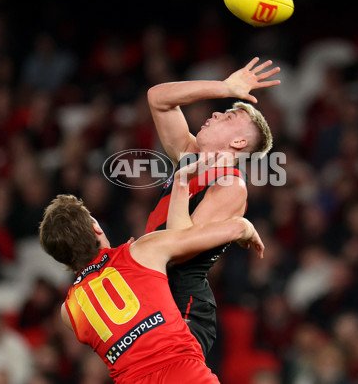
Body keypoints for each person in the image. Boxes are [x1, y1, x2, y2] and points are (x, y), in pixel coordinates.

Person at [39, 160, 264, 383]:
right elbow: (196, 238)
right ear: (96, 227)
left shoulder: (68, 312)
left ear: (62, 258)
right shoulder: (142, 250)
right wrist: (243, 227)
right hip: (184, 373)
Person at [145, 57, 279, 355]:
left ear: (240, 142)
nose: (217, 113)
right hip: (154, 292)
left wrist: (181, 183)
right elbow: (158, 98)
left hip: (183, 304)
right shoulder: (191, 156)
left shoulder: (231, 185)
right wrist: (224, 87)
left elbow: (180, 250)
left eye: (229, 117)